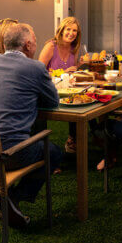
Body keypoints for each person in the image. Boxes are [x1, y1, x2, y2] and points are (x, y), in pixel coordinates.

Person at [0, 23, 62, 228]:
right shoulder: (35, 68)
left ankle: (8, 200)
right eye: (34, 42)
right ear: (27, 45)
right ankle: (13, 197)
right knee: (55, 152)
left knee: (28, 132)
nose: (35, 45)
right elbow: (53, 102)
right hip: (11, 153)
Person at [39, 17, 83, 153]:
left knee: (83, 102)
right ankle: (44, 148)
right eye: (68, 29)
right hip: (49, 90)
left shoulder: (73, 48)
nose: (71, 33)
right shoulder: (51, 46)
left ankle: (74, 138)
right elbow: (39, 72)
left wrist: (79, 66)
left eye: (74, 30)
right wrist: (64, 72)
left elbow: (70, 73)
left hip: (67, 90)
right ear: (61, 30)